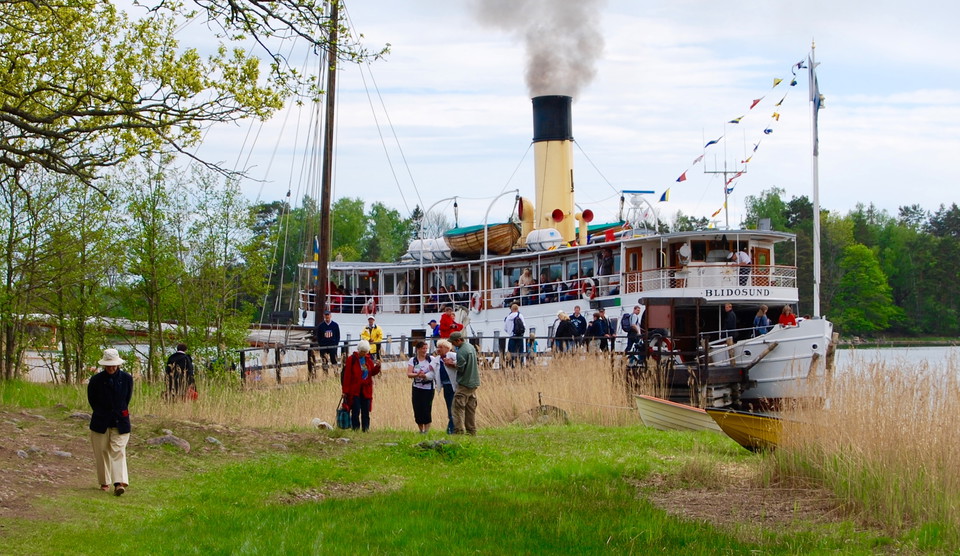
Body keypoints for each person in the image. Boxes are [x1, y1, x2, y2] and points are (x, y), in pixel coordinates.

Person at [88, 348, 133, 496]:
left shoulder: (127, 378)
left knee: (118, 451)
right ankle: (104, 481)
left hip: (121, 421)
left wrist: (118, 411)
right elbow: (92, 400)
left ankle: (119, 483)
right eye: (108, 365)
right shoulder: (95, 380)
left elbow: (126, 399)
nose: (111, 368)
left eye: (113, 365)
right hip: (100, 421)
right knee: (101, 452)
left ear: (118, 364)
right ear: (104, 365)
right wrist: (102, 412)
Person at [341, 340, 382, 432]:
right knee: (355, 411)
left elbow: (371, 373)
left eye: (365, 352)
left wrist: (377, 367)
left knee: (365, 411)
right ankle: (355, 429)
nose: (364, 353)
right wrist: (345, 391)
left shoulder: (367, 359)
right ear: (359, 350)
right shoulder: (352, 359)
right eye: (363, 351)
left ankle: (365, 429)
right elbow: (347, 376)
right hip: (355, 390)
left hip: (366, 390)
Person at [449, 331, 480, 435]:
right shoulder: (470, 347)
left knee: (457, 407)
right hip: (474, 381)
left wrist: (452, 364)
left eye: (453, 342)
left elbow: (461, 368)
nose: (452, 344)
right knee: (470, 407)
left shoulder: (461, 352)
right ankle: (471, 431)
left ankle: (459, 431)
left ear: (458, 340)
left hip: (465, 383)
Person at [406, 340, 439, 433]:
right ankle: (421, 430)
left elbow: (435, 371)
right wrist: (417, 375)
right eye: (423, 348)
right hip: (417, 387)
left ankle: (427, 430)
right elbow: (409, 374)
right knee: (417, 408)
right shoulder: (413, 360)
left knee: (427, 408)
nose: (425, 350)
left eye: (426, 348)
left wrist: (425, 376)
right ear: (418, 349)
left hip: (429, 388)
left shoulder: (431, 359)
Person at [435, 339, 458, 434]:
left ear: (447, 348)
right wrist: (423, 375)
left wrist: (452, 363)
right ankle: (452, 428)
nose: (438, 349)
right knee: (449, 407)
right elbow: (432, 372)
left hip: (453, 385)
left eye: (441, 347)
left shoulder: (452, 355)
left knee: (453, 407)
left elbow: (462, 363)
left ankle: (451, 429)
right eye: (437, 347)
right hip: (446, 386)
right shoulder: (437, 359)